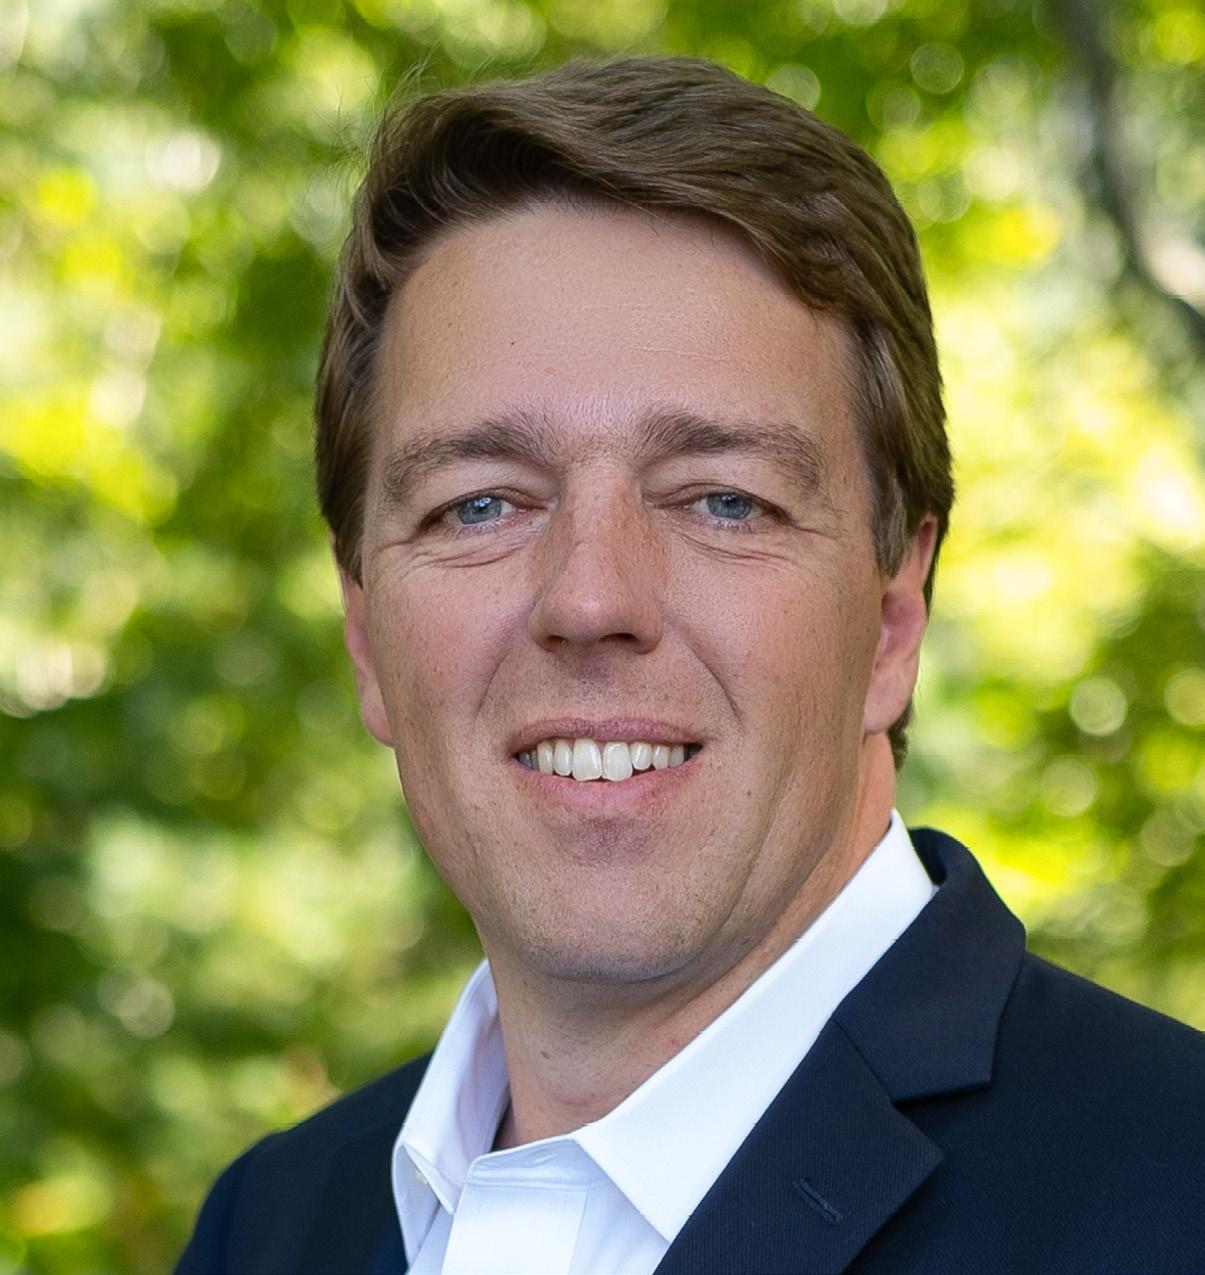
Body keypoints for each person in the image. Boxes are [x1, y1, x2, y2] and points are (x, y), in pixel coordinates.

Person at [175, 56, 1204, 1275]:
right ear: (365, 632)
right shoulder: (268, 1227)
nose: (590, 599)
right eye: (479, 504)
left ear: (891, 618)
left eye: (723, 499)